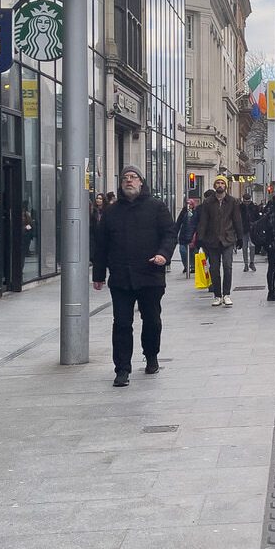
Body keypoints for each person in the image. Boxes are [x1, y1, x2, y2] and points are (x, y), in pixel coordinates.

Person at [91, 165, 175, 387]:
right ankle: (122, 369)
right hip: (121, 277)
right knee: (121, 323)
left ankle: (151, 355)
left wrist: (163, 255)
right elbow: (100, 245)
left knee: (152, 321)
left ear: (141, 182)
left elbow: (169, 235)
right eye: (125, 178)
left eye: (133, 177)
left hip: (150, 275)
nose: (129, 181)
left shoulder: (157, 207)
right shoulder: (111, 212)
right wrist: (98, 274)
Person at [195, 174, 241, 307]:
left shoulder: (232, 201)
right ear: (214, 186)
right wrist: (200, 237)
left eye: (222, 183)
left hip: (227, 238)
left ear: (225, 186)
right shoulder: (208, 202)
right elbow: (203, 221)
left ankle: (226, 294)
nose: (220, 185)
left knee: (227, 266)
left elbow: (237, 219)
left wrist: (239, 237)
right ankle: (217, 295)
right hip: (212, 239)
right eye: (218, 183)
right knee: (214, 268)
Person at [175, 197, 199, 276]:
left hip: (194, 236)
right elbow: (178, 223)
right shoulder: (183, 212)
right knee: (183, 251)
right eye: (188, 204)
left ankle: (193, 266)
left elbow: (198, 225)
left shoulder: (197, 212)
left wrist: (196, 236)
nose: (189, 206)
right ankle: (187, 266)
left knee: (193, 253)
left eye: (191, 204)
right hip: (183, 236)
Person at [241, 196, 262, 273]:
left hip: (253, 230)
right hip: (243, 230)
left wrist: (256, 225)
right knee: (244, 247)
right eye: (245, 202)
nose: (246, 203)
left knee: (252, 246)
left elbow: (258, 218)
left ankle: (251, 262)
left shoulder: (254, 207)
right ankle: (246, 264)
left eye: (248, 201)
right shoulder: (240, 207)